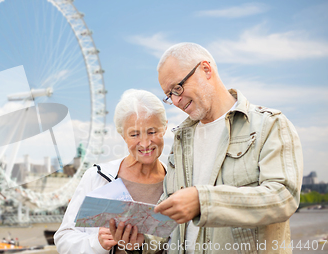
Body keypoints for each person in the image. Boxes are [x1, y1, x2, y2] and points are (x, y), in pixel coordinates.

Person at [152, 42, 303, 254]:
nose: (176, 101)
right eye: (169, 95)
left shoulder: (270, 125)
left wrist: (203, 201)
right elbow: (167, 211)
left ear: (206, 69)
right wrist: (135, 240)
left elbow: (283, 198)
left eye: (178, 88)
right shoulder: (180, 140)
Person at [54, 89, 169, 254]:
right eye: (134, 134)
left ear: (164, 127)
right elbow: (63, 239)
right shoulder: (96, 177)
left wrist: (145, 244)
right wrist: (98, 243)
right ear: (122, 135)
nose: (144, 143)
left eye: (152, 132)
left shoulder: (176, 181)